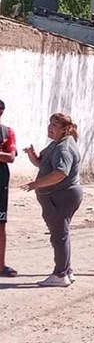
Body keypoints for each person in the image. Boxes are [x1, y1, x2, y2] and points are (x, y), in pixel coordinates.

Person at [21, 113, 84, 287]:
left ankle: (60, 274)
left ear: (65, 129)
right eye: (50, 123)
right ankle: (66, 270)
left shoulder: (64, 147)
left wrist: (37, 184)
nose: (50, 127)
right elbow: (43, 164)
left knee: (59, 236)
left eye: (55, 124)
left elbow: (60, 173)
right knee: (61, 234)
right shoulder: (57, 144)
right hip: (58, 196)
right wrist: (32, 156)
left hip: (62, 196)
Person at [0, 99, 18, 277]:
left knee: (0, 224)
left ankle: (1, 266)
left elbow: (11, 157)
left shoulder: (7, 132)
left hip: (0, 183)